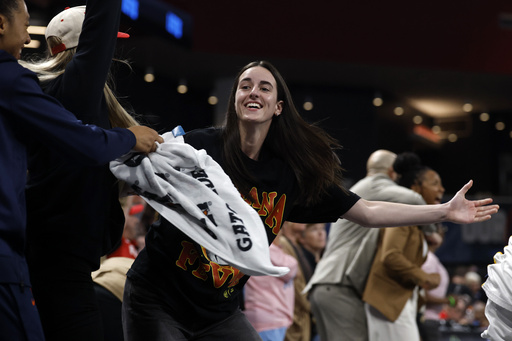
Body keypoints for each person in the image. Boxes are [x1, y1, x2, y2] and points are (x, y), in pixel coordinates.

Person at [120, 60, 498, 341]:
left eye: (265, 87)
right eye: (245, 85)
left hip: (218, 313)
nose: (253, 91)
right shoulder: (200, 146)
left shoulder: (289, 175)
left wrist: (445, 211)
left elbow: (365, 210)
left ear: (278, 106)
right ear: (235, 99)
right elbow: (135, 166)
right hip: (159, 299)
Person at [0, 1, 162, 339]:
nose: (113, 55)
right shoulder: (74, 89)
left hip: (46, 255)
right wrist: (130, 138)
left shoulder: (41, 92)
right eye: (109, 46)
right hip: (61, 263)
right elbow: (88, 146)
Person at [305, 149, 432, 341]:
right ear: (392, 171)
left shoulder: (360, 187)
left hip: (328, 286)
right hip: (339, 288)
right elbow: (415, 200)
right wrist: (432, 231)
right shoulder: (375, 186)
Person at [362, 152, 446, 341]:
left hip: (399, 301)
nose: (441, 189)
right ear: (415, 187)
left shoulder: (415, 224)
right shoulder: (403, 217)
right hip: (387, 301)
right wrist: (425, 278)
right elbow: (391, 255)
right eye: (434, 183)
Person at [243, 237, 298, 341]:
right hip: (270, 316)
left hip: (264, 314)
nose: (280, 233)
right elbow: (290, 268)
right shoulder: (265, 246)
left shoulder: (253, 244)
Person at [279, 221, 314, 341]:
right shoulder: (283, 243)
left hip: (302, 311)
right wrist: (309, 306)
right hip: (294, 312)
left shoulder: (296, 245)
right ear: (287, 222)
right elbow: (295, 283)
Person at [418, 224, 451, 341]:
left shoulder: (431, 258)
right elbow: (422, 294)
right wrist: (449, 300)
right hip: (427, 318)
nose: (443, 233)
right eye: (441, 230)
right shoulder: (428, 259)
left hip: (431, 319)